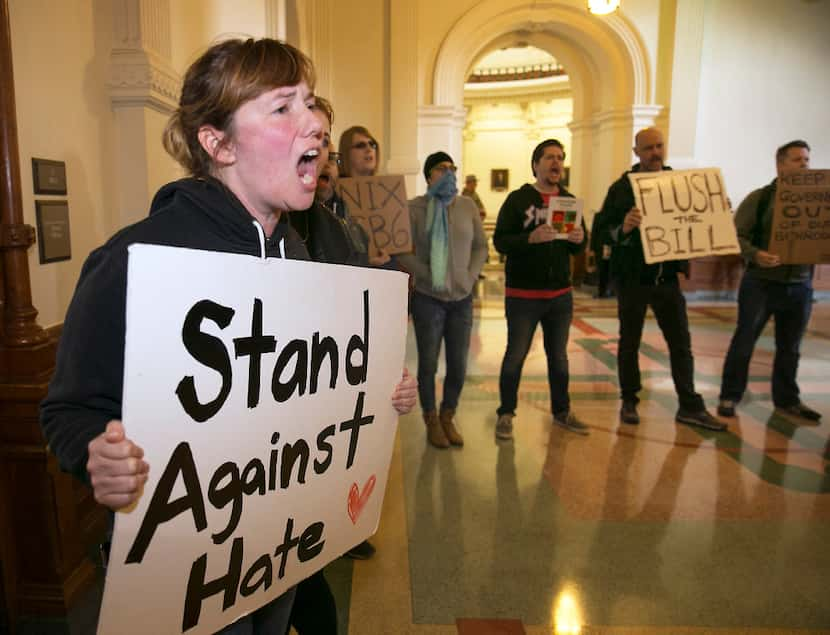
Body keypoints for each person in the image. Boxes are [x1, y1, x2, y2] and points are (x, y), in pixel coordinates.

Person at [39, 39, 415, 635]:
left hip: (277, 563)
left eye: (311, 104)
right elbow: (69, 409)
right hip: (182, 583)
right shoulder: (134, 261)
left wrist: (375, 393)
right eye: (283, 107)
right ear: (218, 144)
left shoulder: (303, 249)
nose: (315, 122)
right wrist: (97, 456)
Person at [603, 127, 725, 430]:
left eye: (659, 146)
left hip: (667, 279)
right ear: (637, 153)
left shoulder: (681, 186)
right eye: (648, 148)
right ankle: (629, 400)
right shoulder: (621, 189)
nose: (655, 153)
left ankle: (689, 405)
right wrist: (625, 227)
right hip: (633, 280)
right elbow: (604, 230)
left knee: (681, 344)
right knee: (629, 342)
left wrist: (715, 215)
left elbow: (692, 222)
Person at [492, 139, 588, 441]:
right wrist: (528, 239)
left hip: (560, 297)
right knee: (515, 356)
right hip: (523, 297)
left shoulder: (570, 201)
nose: (556, 163)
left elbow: (579, 246)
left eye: (560, 157)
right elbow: (500, 241)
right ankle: (506, 413)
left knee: (558, 357)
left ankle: (562, 412)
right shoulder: (519, 200)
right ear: (536, 164)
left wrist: (580, 240)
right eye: (549, 157)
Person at [718, 140, 820, 421]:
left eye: (807, 159)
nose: (805, 165)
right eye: (798, 159)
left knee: (791, 347)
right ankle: (730, 395)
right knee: (745, 340)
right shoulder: (760, 199)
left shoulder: (816, 201)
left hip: (800, 284)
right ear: (780, 164)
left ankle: (787, 399)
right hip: (761, 284)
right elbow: (737, 236)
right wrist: (756, 254)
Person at [398, 152, 488, 448]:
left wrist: (470, 275)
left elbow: (480, 246)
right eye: (441, 168)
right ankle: (431, 419)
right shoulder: (414, 209)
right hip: (428, 298)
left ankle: (449, 415)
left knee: (459, 363)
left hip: (461, 298)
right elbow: (401, 250)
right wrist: (425, 274)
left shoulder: (467, 205)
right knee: (427, 364)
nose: (448, 173)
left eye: (452, 168)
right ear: (429, 175)